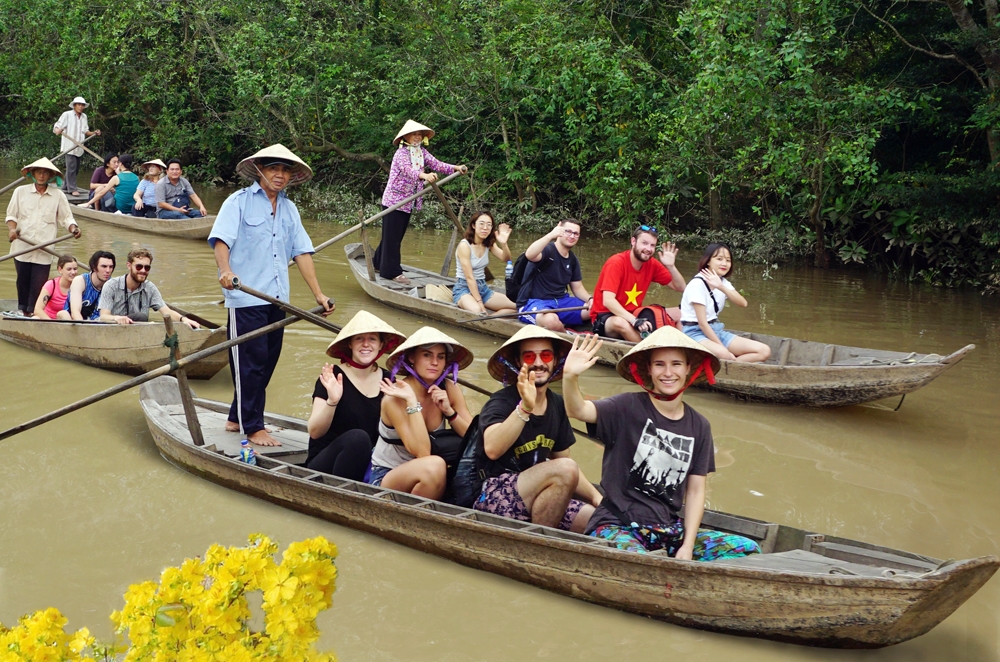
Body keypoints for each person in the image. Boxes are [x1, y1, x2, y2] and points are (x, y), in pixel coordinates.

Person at [562, 328, 761, 561]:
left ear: (688, 369)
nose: (668, 373)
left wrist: (687, 546)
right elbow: (577, 410)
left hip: (668, 530)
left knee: (747, 548)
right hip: (617, 525)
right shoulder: (626, 407)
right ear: (649, 369)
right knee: (642, 562)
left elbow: (696, 491)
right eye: (659, 365)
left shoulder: (699, 426)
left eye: (676, 364)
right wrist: (570, 377)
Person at [210, 144, 335, 448]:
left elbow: (302, 252)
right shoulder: (237, 202)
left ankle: (236, 417)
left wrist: (318, 294)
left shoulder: (290, 209)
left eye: (285, 170)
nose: (279, 175)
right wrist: (225, 271)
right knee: (249, 364)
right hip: (246, 297)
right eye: (273, 169)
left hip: (277, 299)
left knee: (266, 362)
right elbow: (221, 241)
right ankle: (254, 427)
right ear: (260, 171)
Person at [474, 326, 602, 533]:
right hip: (495, 495)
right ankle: (539, 542)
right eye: (529, 356)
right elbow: (492, 449)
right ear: (518, 362)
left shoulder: (557, 403)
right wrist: (525, 407)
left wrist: (598, 498)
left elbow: (564, 463)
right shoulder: (501, 401)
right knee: (565, 469)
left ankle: (542, 534)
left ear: (554, 361)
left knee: (597, 519)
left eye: (546, 355)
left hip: (540, 494)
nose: (539, 363)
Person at [367, 327, 474, 499]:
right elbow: (422, 452)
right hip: (388, 475)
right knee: (435, 465)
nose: (435, 362)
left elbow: (475, 438)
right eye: (427, 355)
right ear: (412, 358)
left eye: (440, 356)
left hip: (433, 476)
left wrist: (450, 412)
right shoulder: (395, 397)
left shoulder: (449, 388)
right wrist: (412, 402)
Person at [306, 311, 406, 481]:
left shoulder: (389, 380)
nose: (366, 344)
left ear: (381, 345)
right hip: (326, 465)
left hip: (370, 464)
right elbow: (315, 432)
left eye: (372, 339)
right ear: (350, 344)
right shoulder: (333, 376)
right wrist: (333, 400)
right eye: (359, 338)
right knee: (358, 439)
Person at [372, 120, 468, 284]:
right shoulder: (401, 154)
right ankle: (391, 272)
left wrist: (455, 168)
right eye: (413, 134)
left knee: (393, 236)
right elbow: (407, 170)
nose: (417, 137)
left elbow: (436, 164)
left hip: (408, 202)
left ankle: (377, 263)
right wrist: (424, 176)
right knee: (393, 238)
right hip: (394, 201)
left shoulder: (421, 152)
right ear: (406, 137)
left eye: (419, 134)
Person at [4, 158, 80, 315]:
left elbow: (67, 218)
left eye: (45, 172)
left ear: (51, 176)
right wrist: (12, 230)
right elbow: (11, 216)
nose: (42, 175)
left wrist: (74, 228)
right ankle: (22, 311)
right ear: (32, 173)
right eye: (39, 172)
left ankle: (34, 312)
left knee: (39, 284)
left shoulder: (58, 195)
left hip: (45, 249)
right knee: (22, 282)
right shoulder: (20, 192)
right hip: (22, 247)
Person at [590, 225, 685, 342]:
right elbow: (608, 301)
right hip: (606, 318)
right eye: (644, 243)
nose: (648, 249)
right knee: (621, 323)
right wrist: (634, 320)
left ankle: (681, 348)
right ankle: (647, 352)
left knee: (683, 313)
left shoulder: (652, 264)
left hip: (634, 314)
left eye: (652, 245)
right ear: (633, 241)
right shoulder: (616, 263)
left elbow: (680, 287)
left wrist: (671, 267)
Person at [679, 243, 771, 363]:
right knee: (724, 354)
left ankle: (731, 366)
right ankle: (729, 363)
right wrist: (723, 349)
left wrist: (721, 287)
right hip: (695, 333)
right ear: (708, 261)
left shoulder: (722, 282)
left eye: (728, 260)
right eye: (719, 259)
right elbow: (702, 324)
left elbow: (743, 303)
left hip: (716, 329)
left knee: (764, 351)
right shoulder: (697, 284)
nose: (724, 263)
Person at [517, 219, 593, 331]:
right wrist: (551, 235)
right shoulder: (547, 250)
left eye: (576, 234)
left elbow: (577, 287)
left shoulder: (572, 259)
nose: (572, 236)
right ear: (560, 231)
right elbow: (529, 255)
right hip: (535, 303)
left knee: (597, 308)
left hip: (561, 302)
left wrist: (591, 299)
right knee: (551, 321)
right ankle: (567, 338)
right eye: (568, 232)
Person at [97, 248, 199, 328]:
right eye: (138, 267)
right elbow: (103, 316)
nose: (143, 270)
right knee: (141, 317)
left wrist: (183, 319)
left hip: (138, 331)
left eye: (147, 267)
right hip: (112, 329)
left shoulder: (149, 287)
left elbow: (167, 312)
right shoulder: (111, 285)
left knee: (142, 318)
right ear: (129, 266)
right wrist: (117, 318)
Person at [453, 210, 516, 314]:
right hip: (464, 289)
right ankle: (487, 316)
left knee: (518, 306)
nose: (485, 228)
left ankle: (492, 318)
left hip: (483, 288)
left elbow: (507, 259)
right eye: (481, 224)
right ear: (473, 225)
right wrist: (480, 303)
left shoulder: (488, 243)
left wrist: (504, 244)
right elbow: (469, 278)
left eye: (489, 225)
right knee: (478, 311)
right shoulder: (464, 246)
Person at [53, 96, 100, 195]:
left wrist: (94, 133)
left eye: (82, 105)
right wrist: (58, 130)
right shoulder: (67, 115)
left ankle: (66, 186)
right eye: (79, 104)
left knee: (76, 168)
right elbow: (57, 126)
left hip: (79, 147)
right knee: (71, 167)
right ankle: (72, 189)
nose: (81, 107)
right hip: (69, 147)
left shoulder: (84, 117)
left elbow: (85, 131)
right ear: (74, 106)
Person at [57, 250, 116, 321]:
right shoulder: (80, 281)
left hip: (99, 323)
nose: (108, 270)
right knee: (62, 314)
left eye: (111, 267)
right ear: (94, 267)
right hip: (75, 323)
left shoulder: (112, 284)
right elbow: (75, 312)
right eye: (104, 266)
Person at [33, 254, 78, 319]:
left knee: (64, 314)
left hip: (67, 320)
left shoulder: (80, 285)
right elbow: (38, 310)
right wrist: (52, 324)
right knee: (35, 318)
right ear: (60, 269)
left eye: (75, 269)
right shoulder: (51, 284)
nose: (73, 272)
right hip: (49, 320)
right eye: (69, 269)